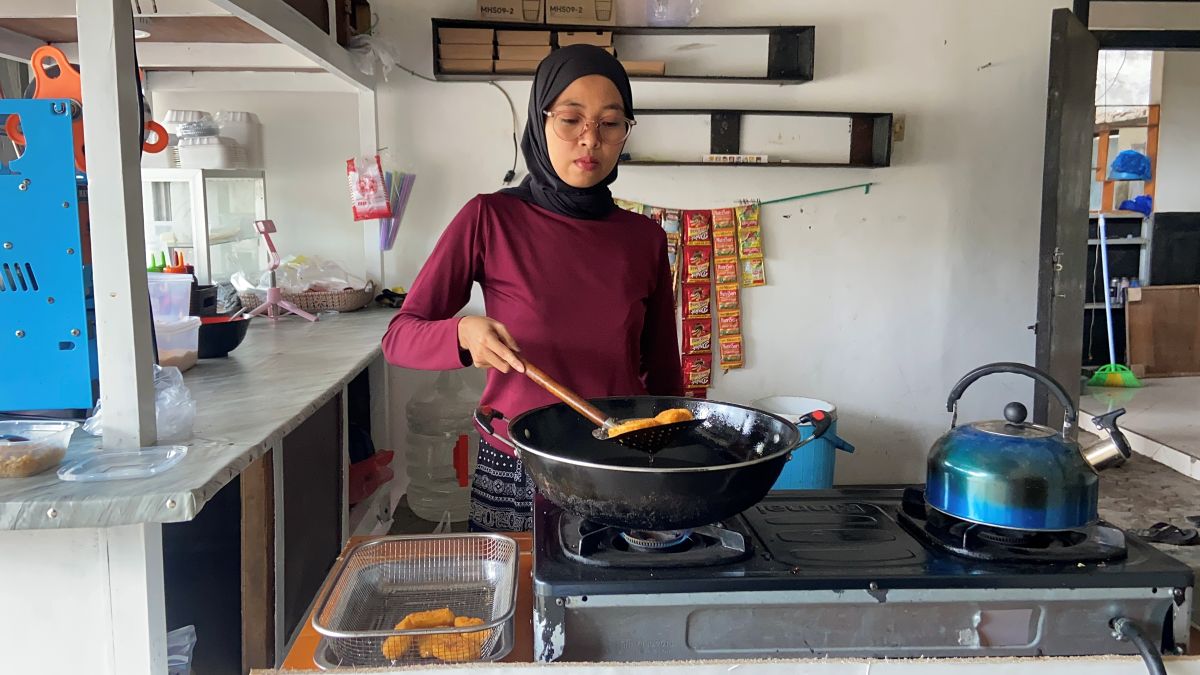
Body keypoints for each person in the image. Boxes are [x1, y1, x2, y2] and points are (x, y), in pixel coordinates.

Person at [382, 45, 683, 533]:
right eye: (571, 119)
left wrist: (673, 459)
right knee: (519, 603)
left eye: (611, 123)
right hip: (519, 465)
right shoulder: (490, 218)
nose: (590, 140)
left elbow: (666, 378)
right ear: (540, 123)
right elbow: (399, 337)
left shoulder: (643, 238)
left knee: (615, 605)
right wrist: (462, 335)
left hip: (619, 464)